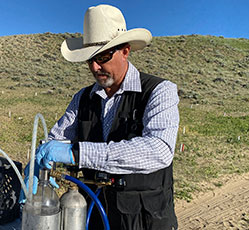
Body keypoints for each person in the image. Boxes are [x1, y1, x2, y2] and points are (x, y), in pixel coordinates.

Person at [30, 4, 179, 230]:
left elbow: (159, 150)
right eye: (90, 59)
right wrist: (37, 166)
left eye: (103, 56)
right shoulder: (83, 98)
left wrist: (77, 153)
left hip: (144, 220)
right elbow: (56, 139)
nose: (95, 66)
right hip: (93, 215)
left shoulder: (159, 91)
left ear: (125, 51)